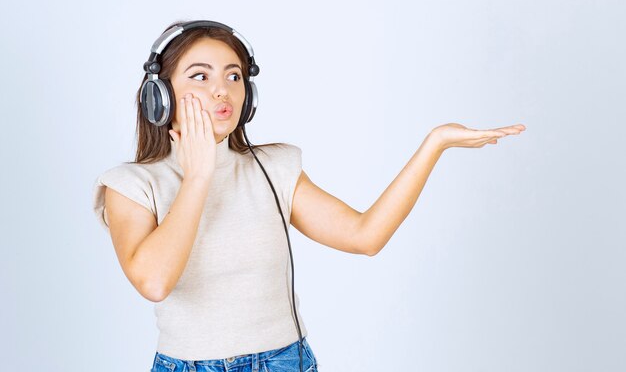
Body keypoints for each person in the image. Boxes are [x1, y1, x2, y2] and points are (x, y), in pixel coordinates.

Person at [92, 20, 526, 372]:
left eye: (234, 75)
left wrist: (435, 143)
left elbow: (365, 236)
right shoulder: (131, 185)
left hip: (287, 361)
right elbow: (153, 280)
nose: (221, 89)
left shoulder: (275, 167)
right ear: (160, 96)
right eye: (200, 76)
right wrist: (198, 176)